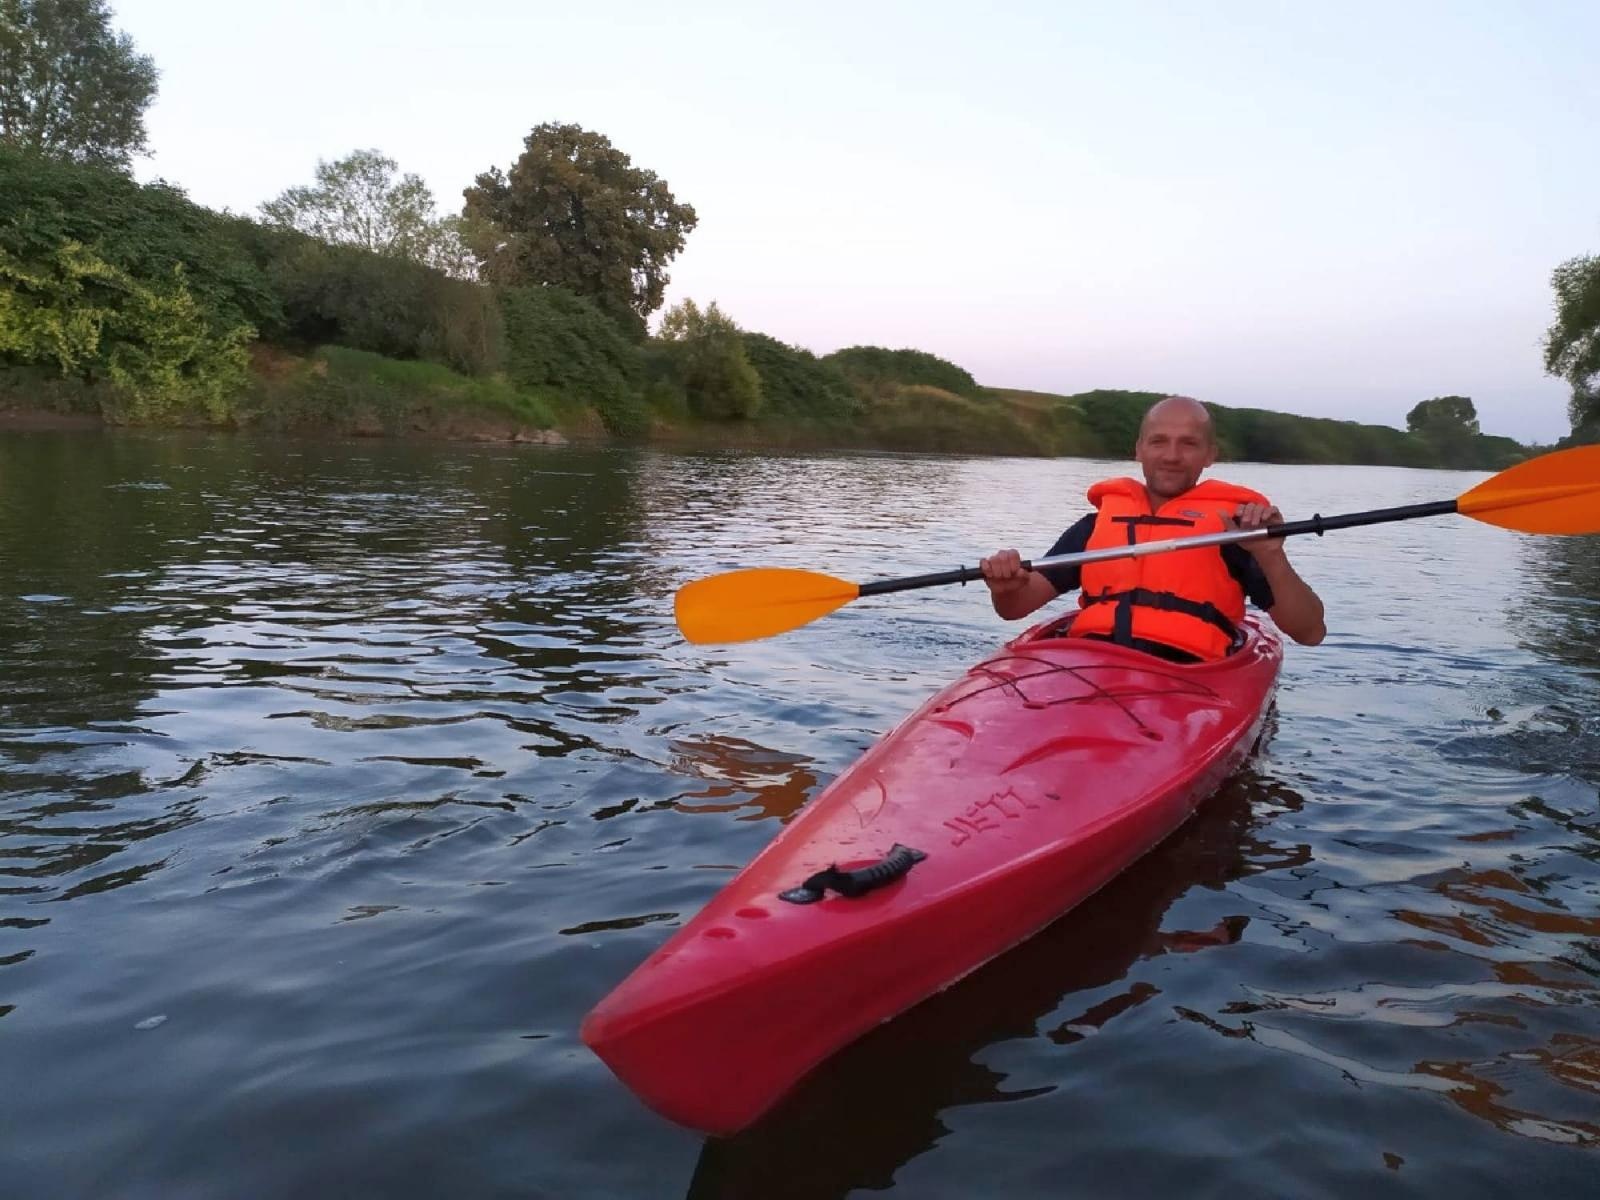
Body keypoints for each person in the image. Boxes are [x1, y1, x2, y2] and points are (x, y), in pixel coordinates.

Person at [979, 395, 1326, 662]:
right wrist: (1005, 587)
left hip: (1188, 677)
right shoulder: (1097, 525)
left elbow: (1310, 631)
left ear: (1210, 454)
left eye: (1188, 443)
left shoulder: (1234, 532)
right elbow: (1015, 608)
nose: (1171, 456)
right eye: (1159, 441)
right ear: (1140, 450)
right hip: (1089, 666)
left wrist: (1271, 556)